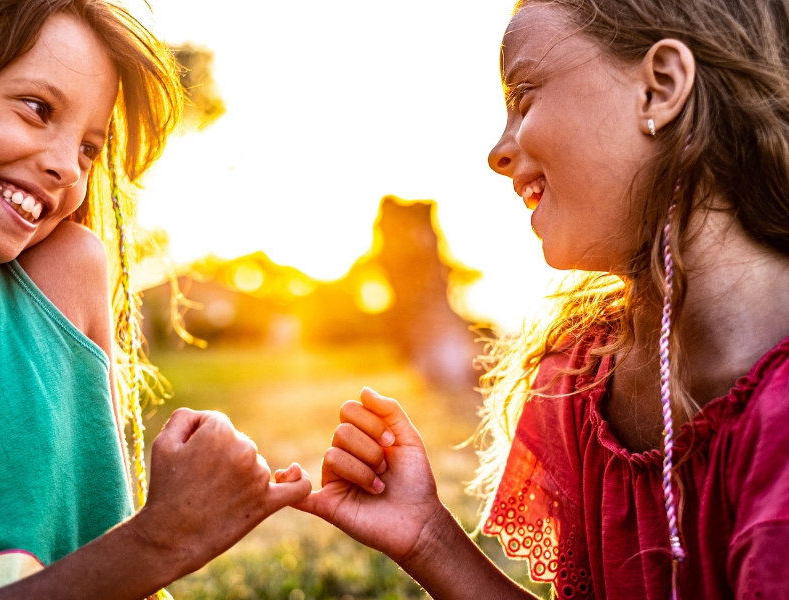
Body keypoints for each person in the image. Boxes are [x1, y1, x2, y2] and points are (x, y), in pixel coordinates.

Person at [286, 0, 789, 598]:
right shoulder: (580, 379)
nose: (497, 152)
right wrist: (427, 537)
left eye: (523, 97)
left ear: (660, 89)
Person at [0, 1, 310, 598]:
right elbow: (131, 554)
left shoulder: (62, 283)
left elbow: (97, 543)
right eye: (37, 109)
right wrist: (162, 541)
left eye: (89, 147)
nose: (67, 166)